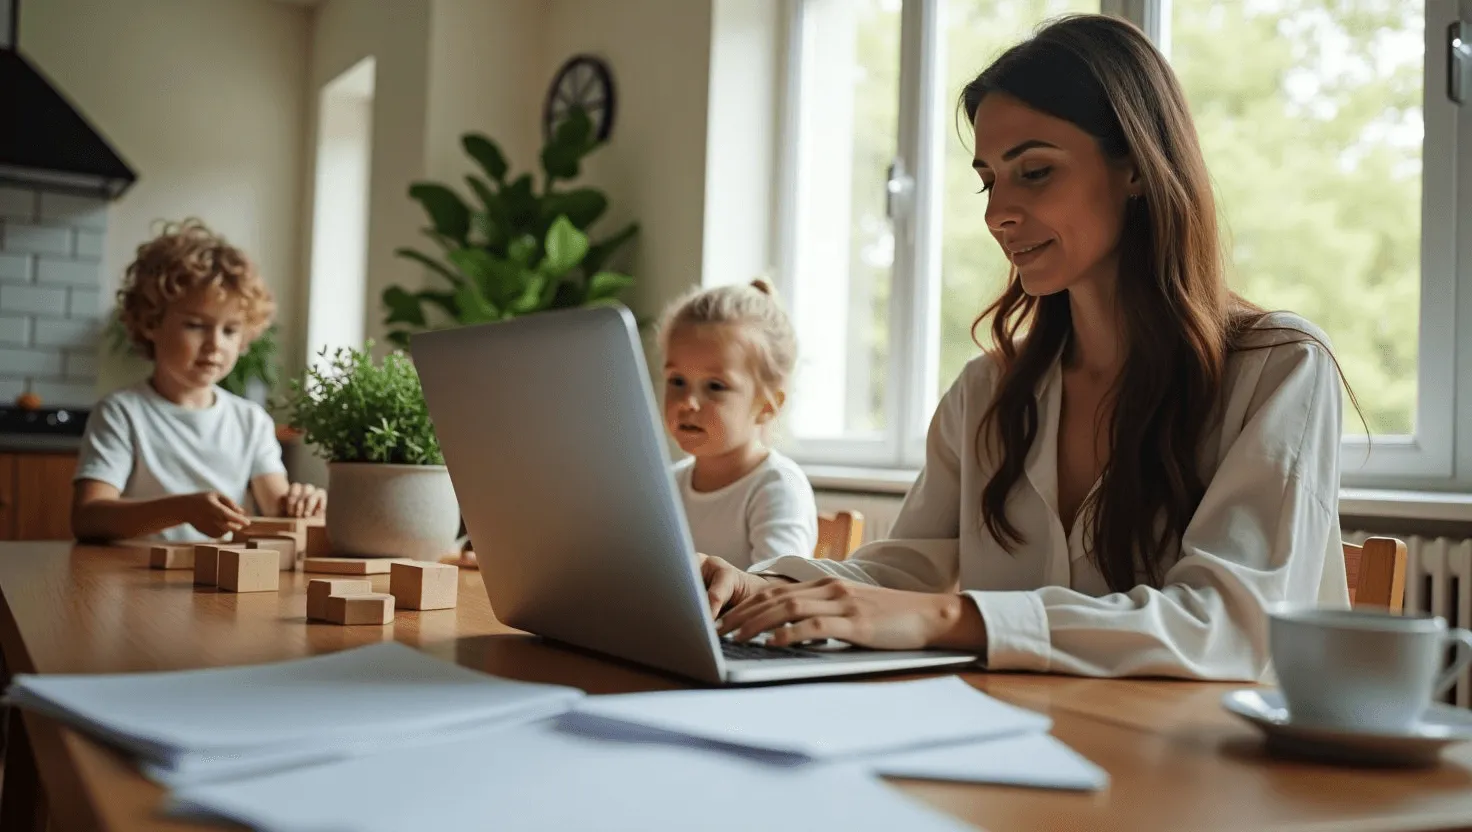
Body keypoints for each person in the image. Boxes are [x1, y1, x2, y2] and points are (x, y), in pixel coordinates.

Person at [702, 14, 1353, 682]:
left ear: (1136, 166)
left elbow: (1229, 626)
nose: (996, 215)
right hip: (1017, 732)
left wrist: (950, 617)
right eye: (989, 180)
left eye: (1035, 171)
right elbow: (906, 569)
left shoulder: (1279, 369)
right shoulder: (985, 392)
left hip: (1201, 747)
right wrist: (762, 586)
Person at [72, 220, 325, 543]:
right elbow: (88, 517)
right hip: (134, 573)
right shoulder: (122, 413)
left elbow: (279, 509)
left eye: (230, 330)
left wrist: (304, 503)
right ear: (150, 323)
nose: (215, 344)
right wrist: (181, 510)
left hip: (220, 574)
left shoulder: (250, 421)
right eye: (195, 325)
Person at [658, 279, 818, 569]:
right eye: (677, 381)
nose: (687, 402)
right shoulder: (666, 485)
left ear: (767, 406)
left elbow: (775, 590)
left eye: (715, 386)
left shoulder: (777, 486)